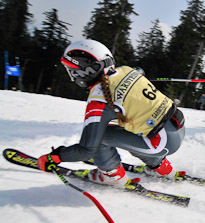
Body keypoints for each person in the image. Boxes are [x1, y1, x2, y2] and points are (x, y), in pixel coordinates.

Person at [37, 39, 186, 189]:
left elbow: (87, 150)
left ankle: (112, 176)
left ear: (83, 72)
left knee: (100, 137)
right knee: (128, 130)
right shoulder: (126, 70)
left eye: (71, 70)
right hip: (177, 127)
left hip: (162, 143)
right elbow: (138, 73)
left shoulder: (99, 99)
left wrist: (55, 157)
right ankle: (161, 167)